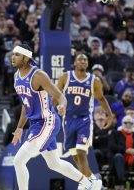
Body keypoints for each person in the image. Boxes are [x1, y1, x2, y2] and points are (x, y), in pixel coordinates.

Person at [11, 45, 101, 190]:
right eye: (13, 54)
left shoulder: (38, 75)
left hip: (48, 122)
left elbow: (60, 95)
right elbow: (25, 104)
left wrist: (62, 105)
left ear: (26, 58)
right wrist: (20, 127)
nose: (13, 57)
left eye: (17, 54)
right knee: (54, 164)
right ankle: (90, 183)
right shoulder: (16, 76)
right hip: (35, 124)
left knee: (18, 161)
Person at [57, 53, 113, 187]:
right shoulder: (65, 77)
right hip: (68, 119)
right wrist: (55, 108)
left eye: (85, 60)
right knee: (74, 155)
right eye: (80, 59)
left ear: (87, 64)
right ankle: (94, 181)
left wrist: (110, 115)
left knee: (82, 152)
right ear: (75, 63)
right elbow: (57, 96)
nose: (82, 61)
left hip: (84, 120)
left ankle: (84, 185)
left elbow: (101, 99)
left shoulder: (94, 81)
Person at [109, 115, 134, 190]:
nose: (128, 125)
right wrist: (125, 150)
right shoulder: (115, 133)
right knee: (118, 156)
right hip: (119, 157)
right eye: (126, 123)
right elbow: (112, 146)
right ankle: (121, 183)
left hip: (133, 157)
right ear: (122, 124)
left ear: (133, 125)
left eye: (130, 123)